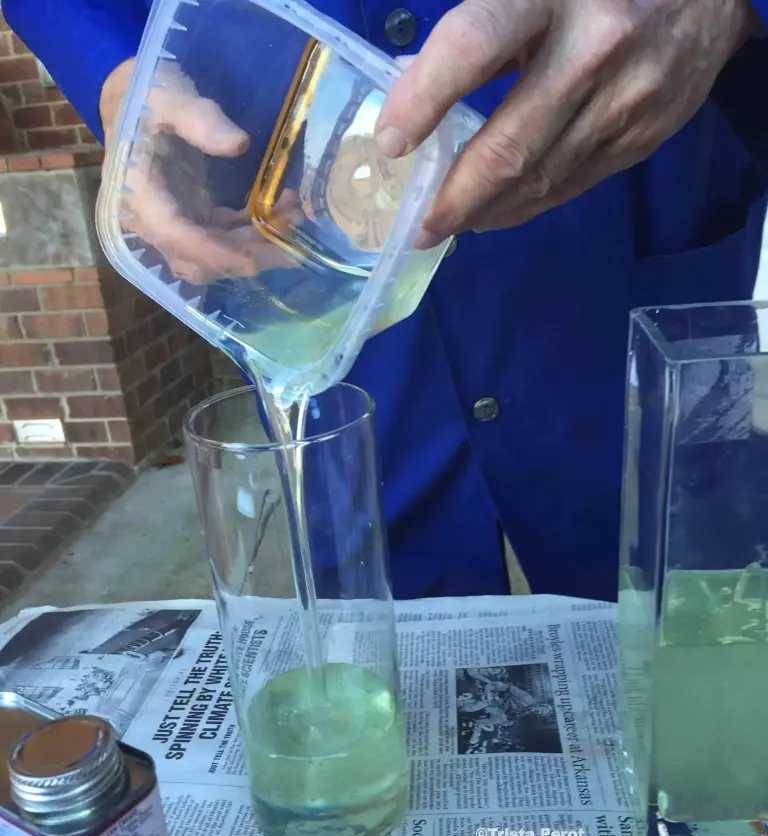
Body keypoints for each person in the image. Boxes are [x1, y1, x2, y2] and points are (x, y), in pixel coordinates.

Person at [6, 0, 768, 602]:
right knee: (381, 622)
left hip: (618, 160)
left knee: (681, 604)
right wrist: (114, 66)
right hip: (296, 218)